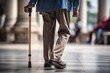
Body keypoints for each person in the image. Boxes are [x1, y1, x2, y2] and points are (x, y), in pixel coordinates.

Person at [24, 0, 80, 69]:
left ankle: (47, 60)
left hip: (45, 4)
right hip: (62, 3)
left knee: (47, 32)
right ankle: (56, 57)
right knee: (64, 32)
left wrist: (31, 4)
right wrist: (75, 7)